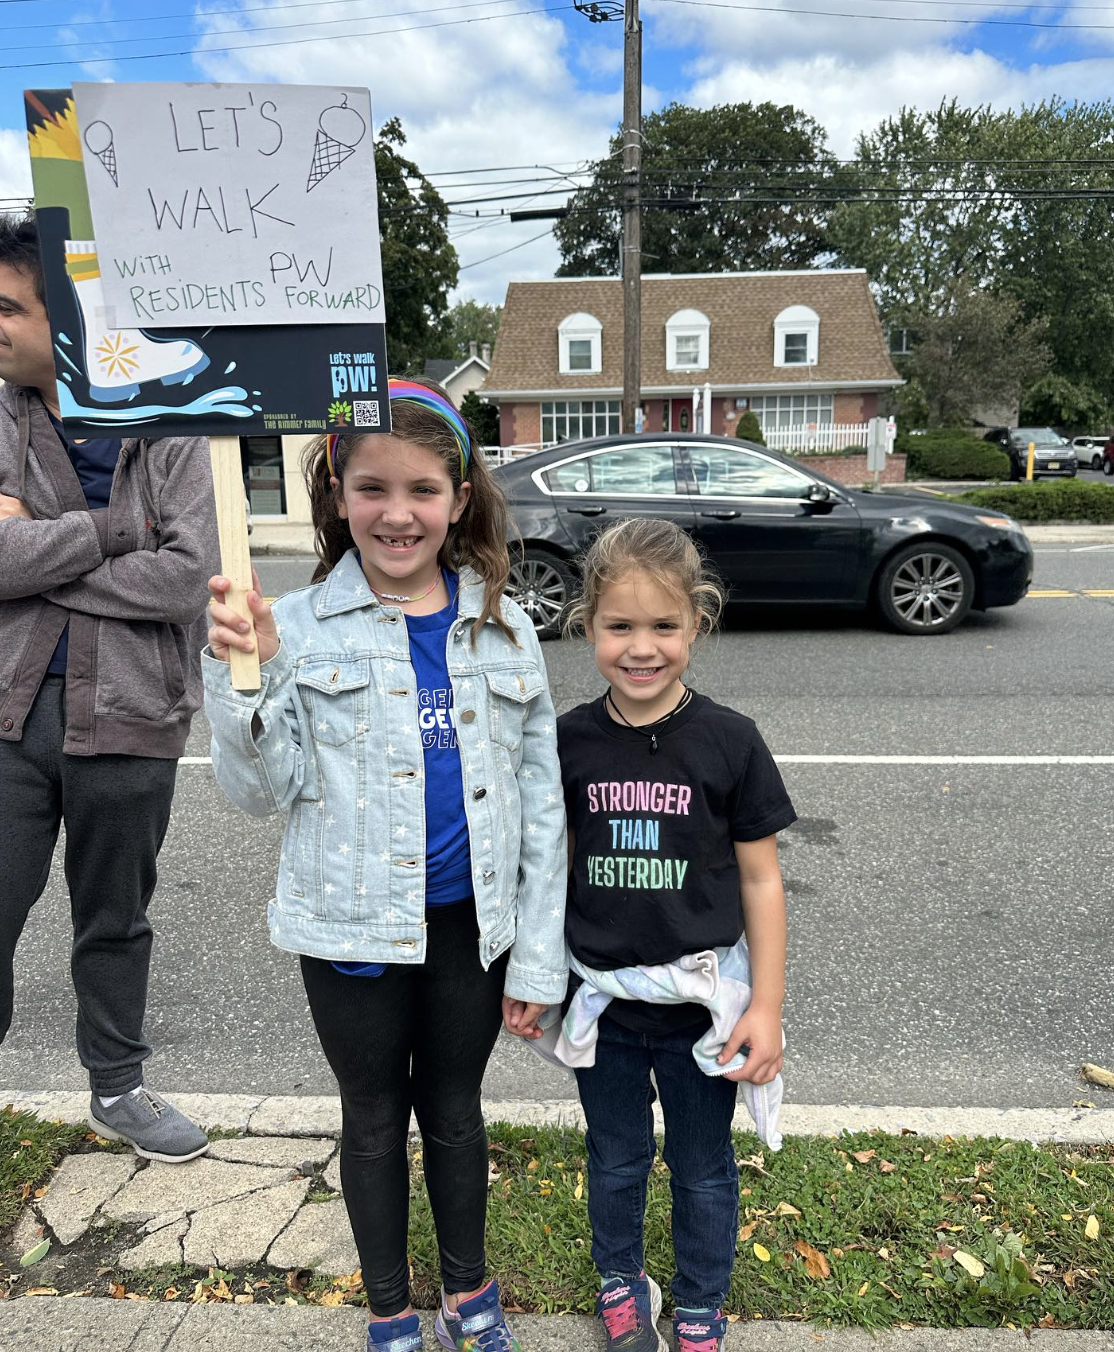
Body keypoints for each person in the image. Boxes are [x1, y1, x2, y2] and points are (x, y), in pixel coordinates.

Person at [204, 377, 567, 1352]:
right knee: (371, 1115)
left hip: (468, 927)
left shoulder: (505, 626)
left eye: (421, 488)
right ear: (335, 492)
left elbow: (541, 803)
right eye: (371, 487)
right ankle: (387, 1307)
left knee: (454, 1109)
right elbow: (256, 792)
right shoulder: (294, 625)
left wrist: (536, 957)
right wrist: (247, 668)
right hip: (348, 925)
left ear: (458, 496)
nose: (397, 512)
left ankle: (467, 1290)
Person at [0, 212, 217, 1162]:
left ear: (71, 318)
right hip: (9, 710)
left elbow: (187, 575)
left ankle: (117, 1086)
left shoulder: (169, 424)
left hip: (133, 713)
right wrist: (115, 529)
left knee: (116, 916)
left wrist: (36, 546)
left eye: (8, 307)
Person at [556, 518, 796, 1352]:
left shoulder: (730, 741)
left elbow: (762, 881)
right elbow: (552, 869)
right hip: (610, 1008)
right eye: (620, 626)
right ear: (588, 625)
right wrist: (537, 980)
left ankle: (700, 1299)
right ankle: (622, 1281)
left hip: (704, 1009)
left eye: (664, 626)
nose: (642, 647)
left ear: (698, 622)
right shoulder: (569, 741)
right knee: (616, 1160)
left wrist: (763, 1007)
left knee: (702, 1170)